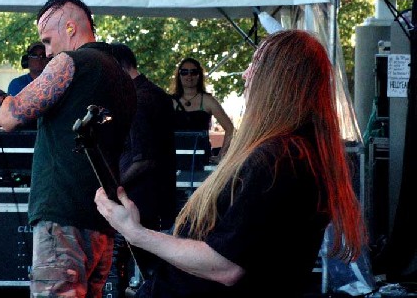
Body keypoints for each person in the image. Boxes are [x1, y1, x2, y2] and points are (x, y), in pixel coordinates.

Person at [95, 30, 366, 297]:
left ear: (281, 80)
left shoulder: (279, 159)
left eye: (256, 65)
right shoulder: (290, 153)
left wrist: (136, 233)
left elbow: (225, 266)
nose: (246, 74)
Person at [0, 0, 136, 298]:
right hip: (102, 223)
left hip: (63, 218)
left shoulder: (71, 62)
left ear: (69, 27)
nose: (48, 52)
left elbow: (8, 117)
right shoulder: (123, 79)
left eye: (48, 41)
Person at [108, 43, 177, 296]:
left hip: (141, 206)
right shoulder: (157, 94)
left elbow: (143, 159)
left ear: (117, 67)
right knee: (152, 277)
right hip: (157, 203)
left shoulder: (136, 100)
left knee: (135, 277)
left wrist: (113, 188)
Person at [171, 58, 234, 155]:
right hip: (174, 160)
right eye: (184, 72)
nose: (189, 75)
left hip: (201, 160)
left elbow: (230, 129)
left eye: (194, 72)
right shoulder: (169, 101)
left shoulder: (208, 100)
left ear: (199, 75)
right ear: (179, 75)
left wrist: (221, 155)